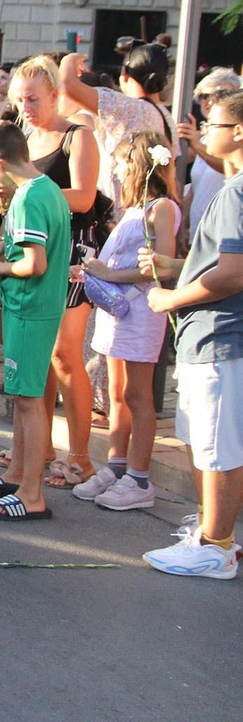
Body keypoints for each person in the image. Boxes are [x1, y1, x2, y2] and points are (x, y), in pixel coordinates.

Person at [135, 90, 243, 578]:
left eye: (212, 124)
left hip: (222, 334)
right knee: (205, 442)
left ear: (237, 131)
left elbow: (232, 275)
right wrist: (176, 266)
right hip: (214, 337)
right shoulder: (233, 187)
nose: (203, 132)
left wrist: (169, 297)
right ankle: (209, 532)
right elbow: (218, 264)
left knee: (219, 447)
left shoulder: (238, 191)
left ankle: (217, 546)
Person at [0, 56, 102, 488]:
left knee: (65, 356)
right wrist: (5, 201)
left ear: (54, 93)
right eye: (19, 98)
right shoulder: (24, 137)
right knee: (36, 362)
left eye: (32, 97)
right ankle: (38, 449)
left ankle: (82, 456)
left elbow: (85, 198)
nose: (25, 106)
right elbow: (19, 202)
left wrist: (21, 188)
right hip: (29, 246)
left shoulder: (78, 136)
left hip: (71, 252)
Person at [0, 123, 71, 521]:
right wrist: (5, 246)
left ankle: (31, 494)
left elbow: (33, 263)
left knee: (29, 402)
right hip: (36, 306)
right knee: (27, 399)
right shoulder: (44, 188)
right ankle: (18, 475)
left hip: (31, 307)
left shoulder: (28, 197)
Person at [70, 131, 179, 512]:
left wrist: (109, 274)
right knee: (116, 393)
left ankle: (139, 475)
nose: (115, 169)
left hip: (141, 313)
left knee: (138, 394)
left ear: (138, 164)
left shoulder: (161, 208)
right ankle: (117, 464)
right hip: (117, 312)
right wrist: (91, 272)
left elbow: (160, 265)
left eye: (119, 161)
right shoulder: (132, 210)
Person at [59, 47, 174, 211]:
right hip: (149, 210)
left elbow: (68, 86)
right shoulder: (166, 116)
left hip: (119, 211)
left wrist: (69, 60)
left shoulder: (126, 107)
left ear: (125, 73)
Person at [177, 68, 241, 235]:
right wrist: (185, 221)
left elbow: (234, 171)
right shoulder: (206, 139)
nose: (210, 101)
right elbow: (196, 184)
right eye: (204, 96)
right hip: (200, 229)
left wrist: (197, 145)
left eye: (220, 95)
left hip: (225, 230)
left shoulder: (229, 140)